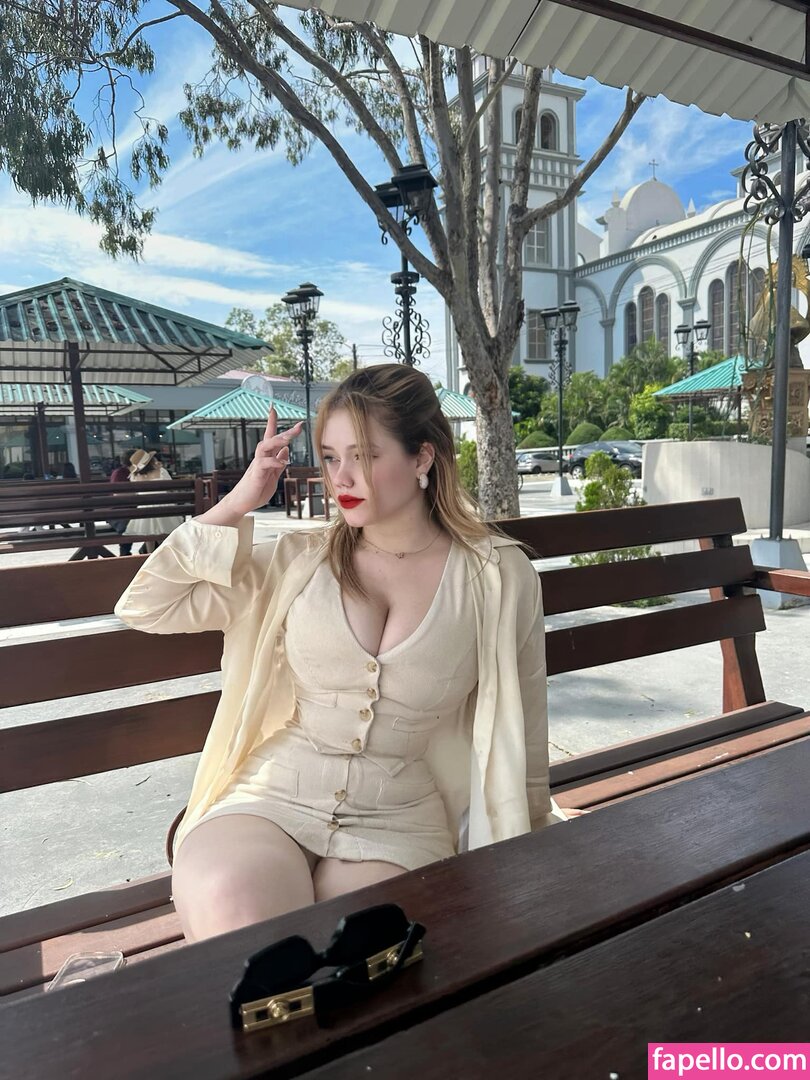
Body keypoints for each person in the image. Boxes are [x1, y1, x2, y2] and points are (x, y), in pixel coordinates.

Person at [115, 365, 569, 944]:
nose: (341, 478)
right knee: (238, 914)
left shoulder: (497, 575)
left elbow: (524, 718)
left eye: (365, 455)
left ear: (423, 457)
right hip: (272, 794)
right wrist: (239, 501)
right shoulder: (298, 561)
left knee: (359, 943)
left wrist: (530, 839)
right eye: (330, 458)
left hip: (398, 815)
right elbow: (147, 606)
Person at [123, 449, 184, 555]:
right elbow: (170, 488)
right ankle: (164, 554)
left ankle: (149, 554)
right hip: (164, 508)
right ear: (151, 461)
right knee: (164, 533)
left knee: (148, 535)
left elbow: (137, 493)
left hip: (145, 510)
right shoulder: (161, 471)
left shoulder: (135, 476)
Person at [108, 458, 132, 556]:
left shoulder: (141, 473)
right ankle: (125, 553)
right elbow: (118, 495)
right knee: (127, 523)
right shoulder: (119, 473)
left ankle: (148, 551)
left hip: (135, 511)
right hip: (118, 513)